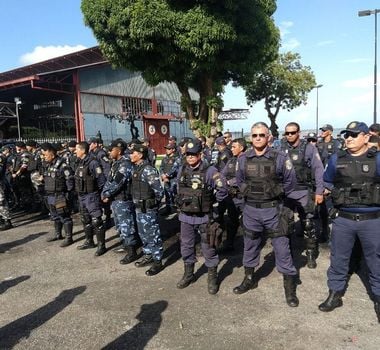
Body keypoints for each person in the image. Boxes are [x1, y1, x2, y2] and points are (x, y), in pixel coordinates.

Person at [319, 121, 380, 323]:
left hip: (372, 220)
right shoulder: (337, 159)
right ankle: (335, 294)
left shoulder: (377, 159)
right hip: (344, 219)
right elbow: (327, 181)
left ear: (365, 137)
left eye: (354, 135)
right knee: (338, 259)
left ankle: (378, 298)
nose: (349, 139)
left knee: (376, 262)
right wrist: (323, 195)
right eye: (347, 135)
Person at [234, 122, 299, 307]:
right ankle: (248, 278)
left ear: (268, 137)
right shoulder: (243, 159)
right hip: (251, 210)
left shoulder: (279, 158)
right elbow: (239, 181)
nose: (258, 139)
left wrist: (275, 195)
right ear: (250, 137)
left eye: (261, 135)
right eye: (254, 135)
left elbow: (290, 182)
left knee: (282, 248)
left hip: (274, 210)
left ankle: (289, 289)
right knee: (250, 245)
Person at [175, 139, 228, 294]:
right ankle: (188, 274)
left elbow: (223, 189)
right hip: (185, 217)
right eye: (188, 155)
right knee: (186, 246)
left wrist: (212, 203)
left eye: (193, 154)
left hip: (205, 217)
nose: (190, 157)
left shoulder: (210, 170)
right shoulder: (182, 169)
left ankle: (212, 278)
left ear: (200, 154)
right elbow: (178, 188)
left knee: (209, 247)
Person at [278, 122, 325, 268]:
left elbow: (318, 169)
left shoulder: (309, 148)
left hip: (304, 190)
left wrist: (319, 191)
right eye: (287, 133)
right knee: (285, 225)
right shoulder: (280, 148)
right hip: (286, 192)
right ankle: (288, 254)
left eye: (292, 132)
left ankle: (311, 253)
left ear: (298, 132)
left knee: (308, 224)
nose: (290, 135)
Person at [101, 140, 138, 264]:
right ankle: (125, 244)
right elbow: (109, 180)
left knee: (127, 226)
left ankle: (132, 251)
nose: (109, 152)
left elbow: (118, 182)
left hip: (123, 200)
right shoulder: (116, 163)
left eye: (111, 149)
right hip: (116, 200)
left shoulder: (125, 164)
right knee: (119, 225)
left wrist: (107, 193)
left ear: (119, 150)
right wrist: (104, 192)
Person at [130, 143, 164, 276]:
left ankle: (157, 261)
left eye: (133, 153)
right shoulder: (137, 168)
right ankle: (148, 254)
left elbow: (159, 191)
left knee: (152, 234)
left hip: (148, 209)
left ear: (140, 154)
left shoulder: (148, 170)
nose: (131, 155)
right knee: (143, 233)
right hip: (139, 208)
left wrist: (153, 205)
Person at [74, 141, 107, 256]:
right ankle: (89, 241)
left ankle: (101, 246)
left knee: (96, 221)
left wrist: (101, 194)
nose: (75, 151)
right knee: (85, 219)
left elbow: (101, 180)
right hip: (81, 195)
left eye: (77, 149)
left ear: (83, 150)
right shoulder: (79, 162)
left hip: (91, 195)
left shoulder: (93, 163)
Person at [42, 143, 75, 247]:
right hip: (50, 195)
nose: (44, 157)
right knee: (55, 216)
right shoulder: (48, 165)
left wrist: (67, 194)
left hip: (60, 195)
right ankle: (58, 234)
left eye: (45, 155)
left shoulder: (63, 165)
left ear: (52, 154)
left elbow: (70, 181)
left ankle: (69, 238)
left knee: (65, 217)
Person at [218, 137, 247, 253]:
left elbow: (245, 177)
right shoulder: (232, 160)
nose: (232, 149)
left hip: (244, 197)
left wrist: (230, 182)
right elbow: (223, 174)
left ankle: (249, 247)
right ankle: (229, 244)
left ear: (242, 147)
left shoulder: (248, 160)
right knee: (231, 222)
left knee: (247, 223)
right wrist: (223, 181)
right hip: (232, 197)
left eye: (234, 147)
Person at [159, 143, 180, 215]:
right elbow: (161, 167)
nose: (167, 150)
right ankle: (168, 209)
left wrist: (167, 175)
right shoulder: (165, 158)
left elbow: (175, 168)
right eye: (166, 149)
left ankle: (177, 210)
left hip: (173, 179)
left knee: (175, 194)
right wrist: (162, 175)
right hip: (166, 179)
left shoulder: (177, 158)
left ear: (173, 149)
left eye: (169, 149)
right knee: (167, 194)